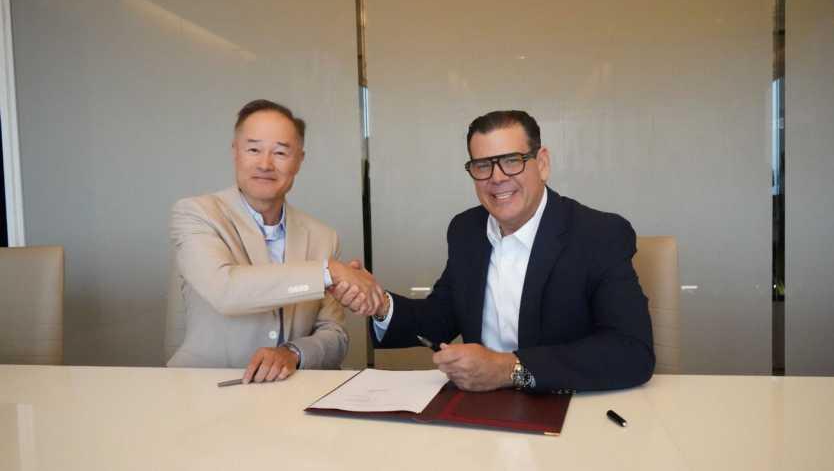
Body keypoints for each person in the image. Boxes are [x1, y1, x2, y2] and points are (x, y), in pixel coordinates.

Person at [331, 110, 654, 393]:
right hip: (481, 412)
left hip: (570, 410)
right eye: (483, 165)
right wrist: (380, 303)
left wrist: (508, 369)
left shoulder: (599, 234)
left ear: (542, 163)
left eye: (512, 161)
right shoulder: (466, 230)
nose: (497, 178)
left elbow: (630, 351)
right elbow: (437, 320)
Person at [167, 99, 382, 384]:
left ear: (299, 160)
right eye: (253, 149)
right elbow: (225, 290)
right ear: (235, 152)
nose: (265, 164)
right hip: (204, 390)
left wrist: (292, 353)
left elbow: (335, 337)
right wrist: (328, 272)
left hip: (291, 395)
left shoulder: (323, 237)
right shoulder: (196, 214)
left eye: (280, 152)